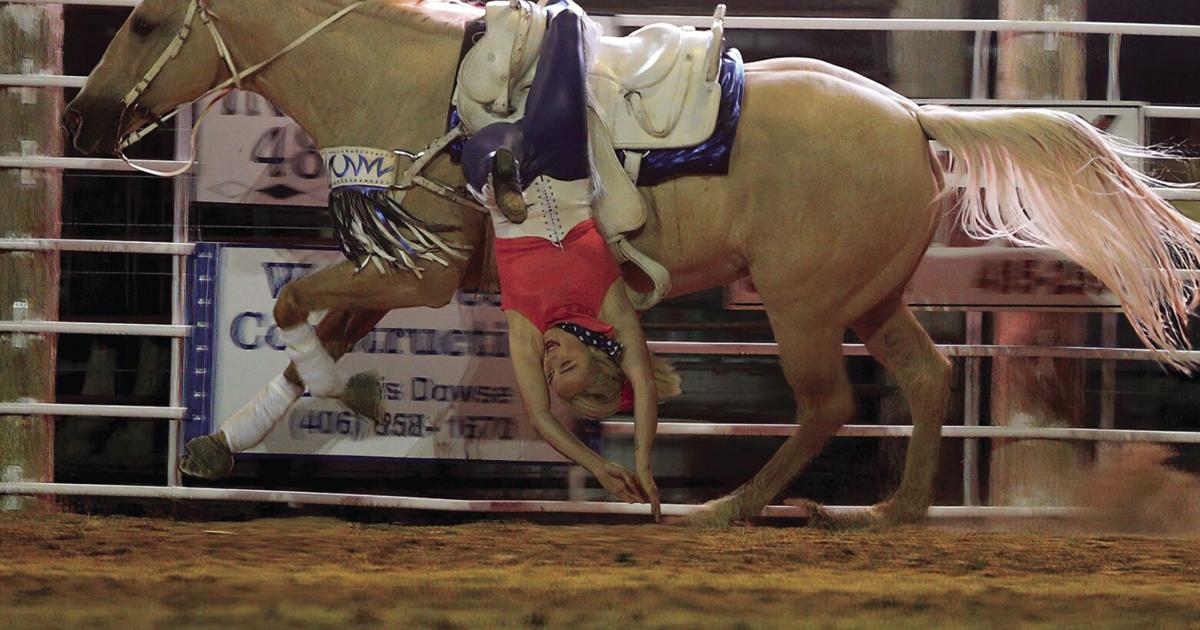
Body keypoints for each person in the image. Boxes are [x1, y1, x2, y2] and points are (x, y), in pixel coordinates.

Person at [462, 0, 680, 518]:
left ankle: (502, 169)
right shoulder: (611, 315)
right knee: (567, 17)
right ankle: (506, 164)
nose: (551, 360)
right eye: (567, 364)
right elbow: (644, 383)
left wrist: (598, 467)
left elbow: (540, 415)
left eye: (550, 370)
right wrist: (642, 462)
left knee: (491, 151)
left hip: (502, 189)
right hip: (565, 174)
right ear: (598, 355)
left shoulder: (527, 330)